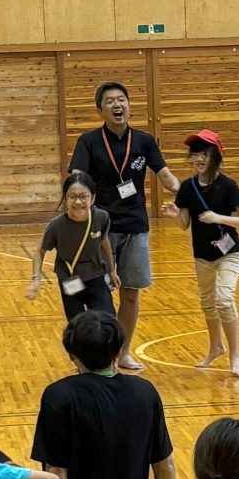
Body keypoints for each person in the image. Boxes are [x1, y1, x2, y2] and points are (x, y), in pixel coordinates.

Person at [30, 307, 177, 479]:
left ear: (71, 355)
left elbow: (56, 471)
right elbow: (165, 465)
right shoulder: (145, 391)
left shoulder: (59, 395)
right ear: (119, 350)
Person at [67, 81, 176, 371]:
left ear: (128, 105)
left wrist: (190, 193)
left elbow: (165, 175)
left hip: (135, 226)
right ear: (100, 110)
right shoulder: (88, 142)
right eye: (111, 101)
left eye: (122, 100)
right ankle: (90, 355)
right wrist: (78, 207)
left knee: (131, 292)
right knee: (96, 293)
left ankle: (122, 352)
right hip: (99, 228)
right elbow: (77, 177)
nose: (118, 105)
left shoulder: (143, 141)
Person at [163, 129, 239, 376]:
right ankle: (216, 347)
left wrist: (218, 217)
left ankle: (235, 356)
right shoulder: (188, 188)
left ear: (215, 157)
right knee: (207, 304)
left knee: (224, 299)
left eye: (204, 154)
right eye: (195, 154)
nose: (199, 159)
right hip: (202, 254)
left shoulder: (228, 186)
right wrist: (175, 215)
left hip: (229, 252)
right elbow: (184, 225)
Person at [24, 171, 119, 325]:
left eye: (83, 196)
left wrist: (112, 271)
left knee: (108, 322)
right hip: (70, 279)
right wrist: (36, 279)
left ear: (93, 198)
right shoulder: (57, 226)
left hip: (96, 276)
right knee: (78, 326)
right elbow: (39, 252)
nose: (78, 202)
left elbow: (104, 241)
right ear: (65, 199)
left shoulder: (101, 217)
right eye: (72, 197)